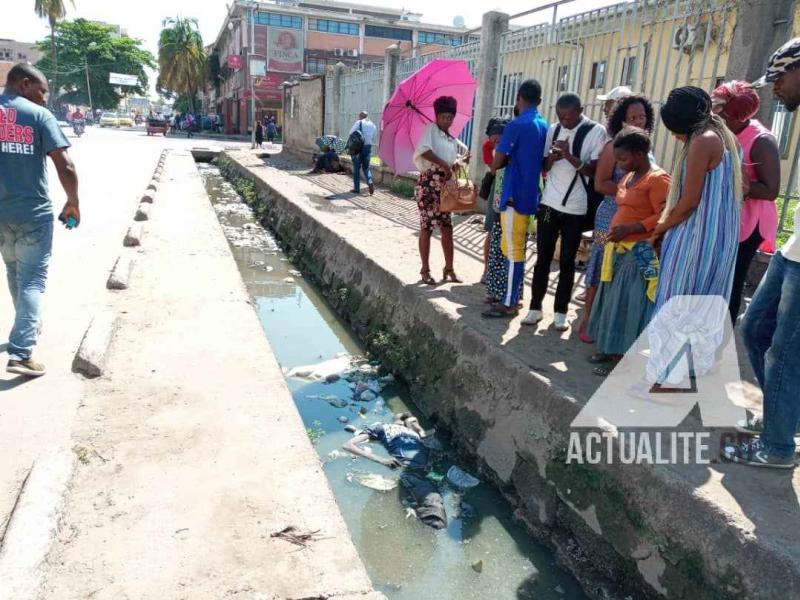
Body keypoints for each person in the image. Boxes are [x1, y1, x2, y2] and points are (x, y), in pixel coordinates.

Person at [722, 37, 800, 469]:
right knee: (753, 330)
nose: (776, 89)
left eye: (781, 77)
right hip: (792, 252)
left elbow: (767, 190)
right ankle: (782, 422)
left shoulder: (762, 138)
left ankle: (778, 448)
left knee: (784, 353)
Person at [646, 86, 742, 388]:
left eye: (676, 131)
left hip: (696, 238)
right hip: (718, 237)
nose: (675, 137)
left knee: (677, 303)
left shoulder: (702, 142)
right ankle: (691, 369)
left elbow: (688, 203)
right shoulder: (725, 137)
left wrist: (660, 228)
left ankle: (666, 378)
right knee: (702, 303)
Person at [0, 64, 80, 377]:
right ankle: (21, 353)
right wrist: (73, 203)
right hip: (33, 214)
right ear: (24, 84)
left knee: (14, 270)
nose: (45, 98)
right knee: (32, 279)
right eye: (42, 90)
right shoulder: (38, 116)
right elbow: (66, 166)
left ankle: (26, 324)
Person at [586, 128, 670, 375]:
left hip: (640, 250)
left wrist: (634, 227)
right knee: (612, 300)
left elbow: (665, 214)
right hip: (619, 250)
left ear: (640, 154)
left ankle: (622, 361)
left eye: (623, 159)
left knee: (629, 304)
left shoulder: (658, 179)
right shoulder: (629, 177)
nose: (619, 165)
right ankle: (610, 348)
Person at [524, 93, 607, 331]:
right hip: (549, 205)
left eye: (568, 117)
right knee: (542, 258)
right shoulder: (553, 129)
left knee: (568, 260)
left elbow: (594, 171)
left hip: (576, 208)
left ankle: (561, 311)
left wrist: (569, 155)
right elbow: (544, 167)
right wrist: (551, 157)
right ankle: (535, 307)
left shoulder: (595, 132)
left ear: (580, 110)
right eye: (560, 117)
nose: (564, 121)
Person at [578, 94, 655, 342]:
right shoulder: (613, 146)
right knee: (601, 269)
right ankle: (588, 321)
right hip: (611, 213)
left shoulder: (644, 146)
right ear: (621, 120)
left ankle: (610, 326)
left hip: (636, 219)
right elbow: (600, 183)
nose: (637, 121)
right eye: (631, 117)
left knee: (623, 273)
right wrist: (632, 191)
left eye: (641, 116)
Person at [711, 81, 781, 324]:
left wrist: (738, 184)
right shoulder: (723, 132)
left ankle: (722, 337)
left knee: (732, 278)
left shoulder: (761, 141)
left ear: (738, 115)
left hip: (749, 222)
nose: (714, 114)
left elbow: (771, 190)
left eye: (721, 111)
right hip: (729, 216)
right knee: (717, 277)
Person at [482, 79, 549, 318]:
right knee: (517, 247)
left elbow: (495, 164)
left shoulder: (516, 125)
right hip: (531, 193)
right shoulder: (543, 125)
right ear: (539, 100)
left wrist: (503, 159)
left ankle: (509, 302)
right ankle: (512, 297)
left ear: (519, 97)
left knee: (513, 250)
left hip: (513, 193)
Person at [412, 95, 469, 285]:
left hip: (444, 186)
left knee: (447, 228)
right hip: (429, 185)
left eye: (450, 117)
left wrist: (458, 163)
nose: (447, 120)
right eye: (444, 117)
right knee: (427, 227)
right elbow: (424, 151)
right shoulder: (430, 130)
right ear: (437, 116)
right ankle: (425, 270)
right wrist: (444, 164)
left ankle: (449, 268)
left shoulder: (451, 139)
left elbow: (450, 165)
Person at [342, 412, 429, 469]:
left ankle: (357, 431)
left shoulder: (414, 433)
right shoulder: (382, 427)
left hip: (428, 464)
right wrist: (382, 460)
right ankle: (357, 432)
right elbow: (347, 445)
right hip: (413, 469)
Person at [480, 118, 505, 284]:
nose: (495, 141)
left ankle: (499, 271)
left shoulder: (511, 144)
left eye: (499, 138)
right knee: (492, 229)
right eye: (493, 138)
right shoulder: (487, 147)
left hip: (510, 187)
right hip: (497, 187)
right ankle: (486, 270)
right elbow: (494, 169)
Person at [348, 111, 377, 195]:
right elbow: (373, 136)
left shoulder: (359, 122)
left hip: (359, 148)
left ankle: (356, 189)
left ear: (361, 116)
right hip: (368, 147)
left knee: (356, 168)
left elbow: (351, 132)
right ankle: (370, 181)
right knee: (366, 167)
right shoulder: (373, 125)